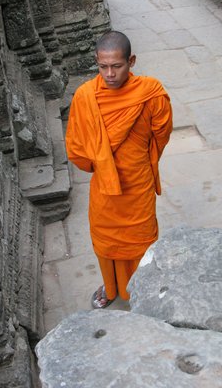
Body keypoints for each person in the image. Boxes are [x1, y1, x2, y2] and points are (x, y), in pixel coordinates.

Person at [65, 31, 172, 308]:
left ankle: (139, 289)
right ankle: (112, 287)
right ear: (97, 63)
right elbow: (76, 148)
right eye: (103, 67)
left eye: (117, 66)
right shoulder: (85, 96)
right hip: (105, 189)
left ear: (131, 61)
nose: (110, 74)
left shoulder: (151, 94)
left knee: (140, 241)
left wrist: (138, 161)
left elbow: (161, 134)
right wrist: (101, 161)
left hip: (137, 186)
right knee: (106, 242)